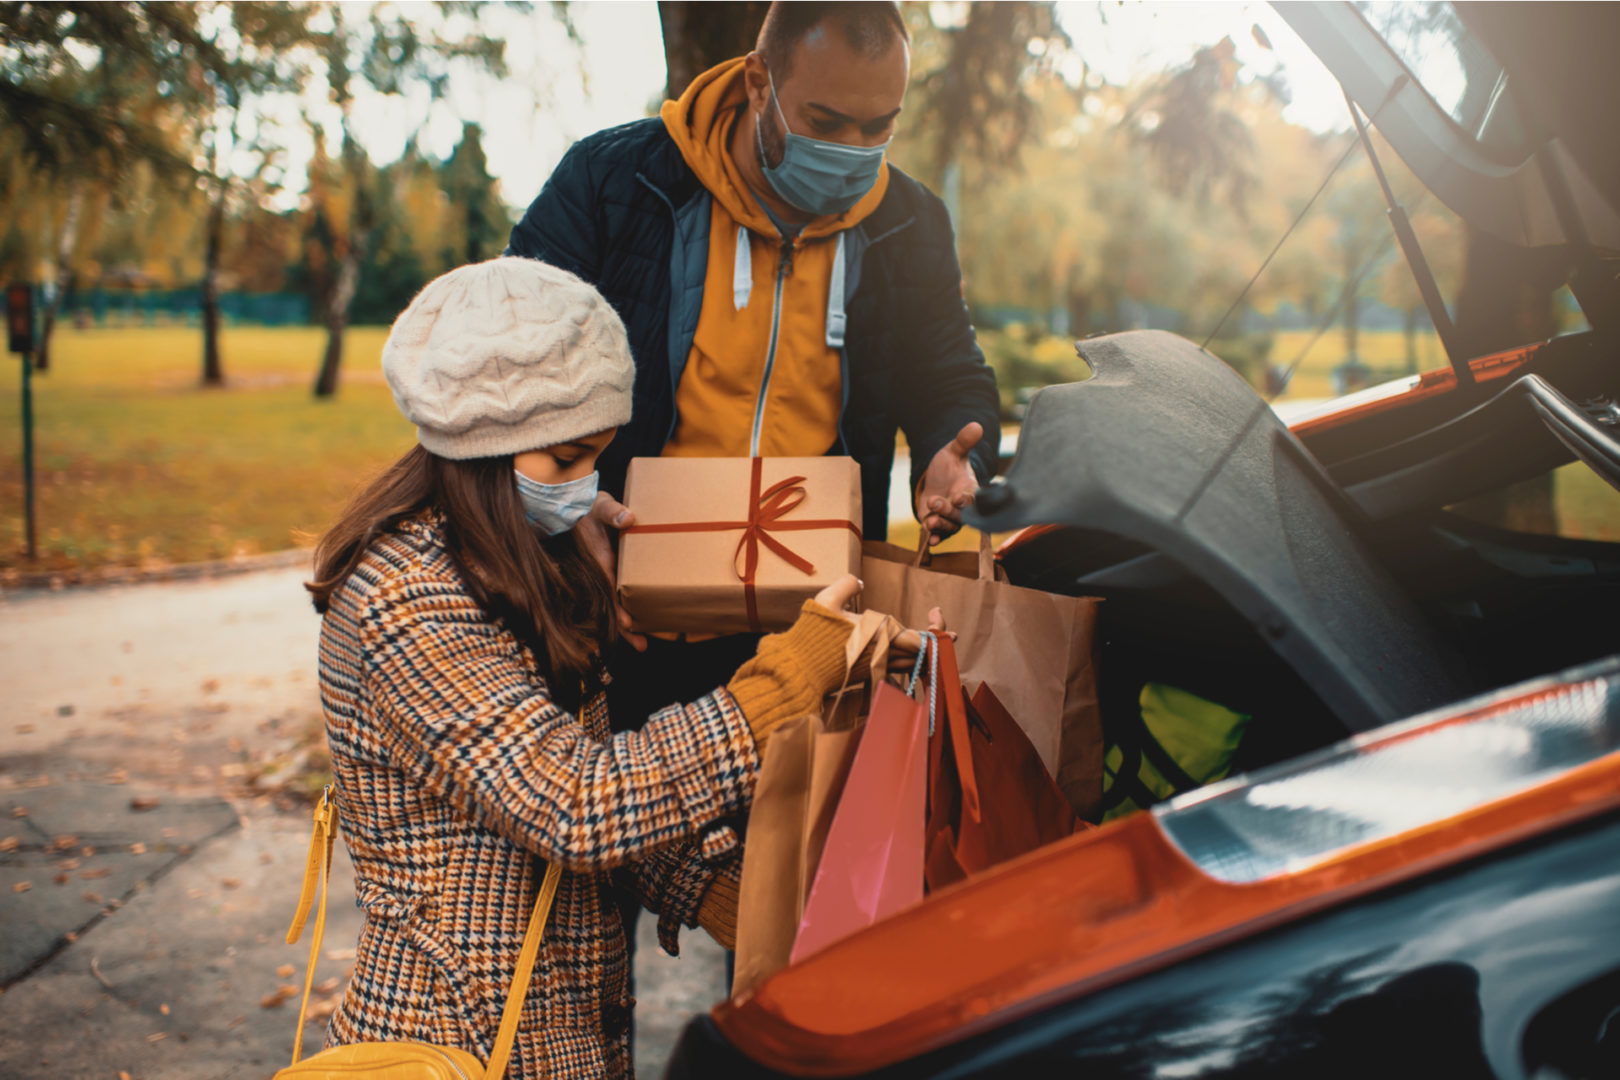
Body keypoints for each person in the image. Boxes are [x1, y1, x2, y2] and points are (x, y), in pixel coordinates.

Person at [305, 257, 935, 1078]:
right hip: (455, 1038)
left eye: (595, 457)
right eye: (565, 460)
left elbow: (554, 795)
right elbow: (571, 802)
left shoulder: (518, 554)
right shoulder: (408, 599)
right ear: (483, 445)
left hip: (555, 1024)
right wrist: (782, 684)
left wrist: (718, 889)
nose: (584, 489)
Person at [505, 0, 1000, 732]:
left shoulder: (911, 221)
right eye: (827, 123)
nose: (853, 150)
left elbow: (947, 371)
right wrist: (565, 497)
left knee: (781, 841)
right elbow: (509, 359)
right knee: (618, 830)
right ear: (758, 81)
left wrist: (951, 451)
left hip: (807, 634)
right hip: (622, 610)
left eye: (879, 128)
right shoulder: (615, 181)